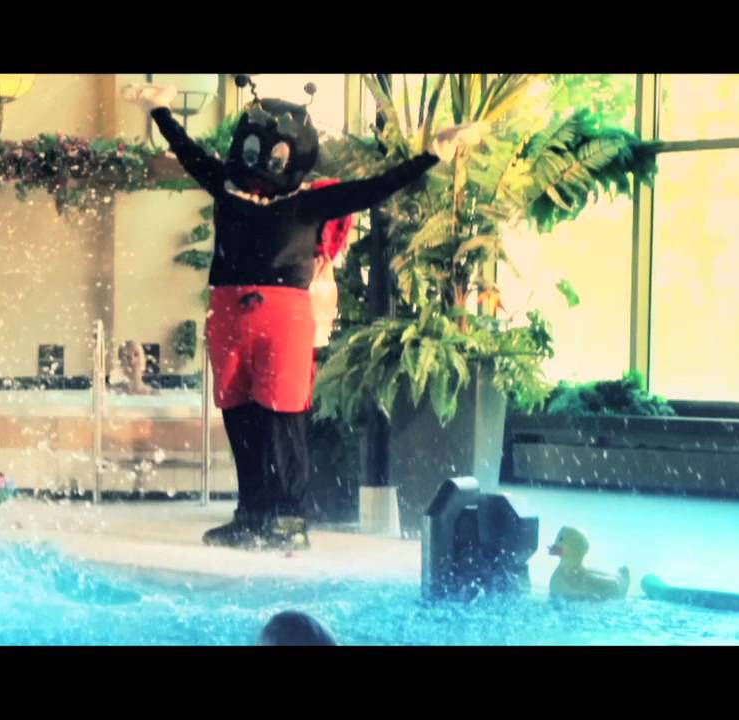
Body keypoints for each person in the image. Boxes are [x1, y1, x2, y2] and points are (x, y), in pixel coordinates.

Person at [127, 80, 481, 550]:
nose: (262, 164)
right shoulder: (227, 188)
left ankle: (288, 518)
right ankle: (252, 514)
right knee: (239, 415)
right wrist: (160, 112)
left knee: (282, 415)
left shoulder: (310, 202)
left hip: (283, 320)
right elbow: (190, 153)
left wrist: (432, 155)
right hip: (229, 313)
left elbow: (374, 188)